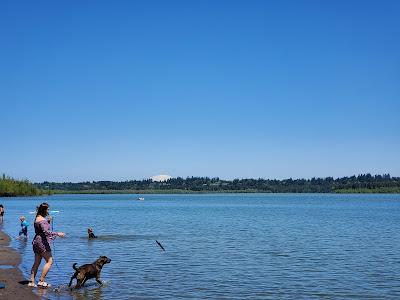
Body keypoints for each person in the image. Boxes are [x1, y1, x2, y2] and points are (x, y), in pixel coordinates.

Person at [29, 203, 65, 288]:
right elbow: (46, 232)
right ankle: (41, 281)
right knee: (50, 261)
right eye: (48, 209)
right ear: (44, 210)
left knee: (37, 262)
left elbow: (41, 229)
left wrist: (48, 221)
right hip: (42, 243)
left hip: (36, 242)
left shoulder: (37, 218)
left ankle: (31, 281)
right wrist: (58, 233)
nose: (48, 211)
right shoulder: (42, 220)